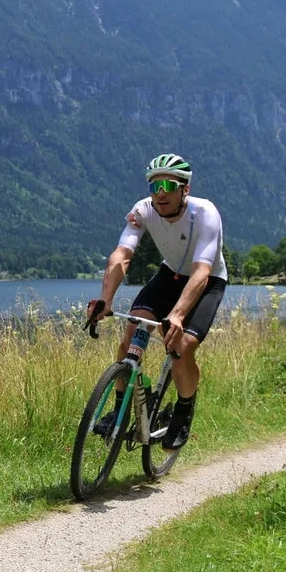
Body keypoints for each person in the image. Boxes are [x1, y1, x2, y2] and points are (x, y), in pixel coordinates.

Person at [85, 153, 227, 450]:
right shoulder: (144, 210)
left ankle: (184, 410)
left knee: (182, 345)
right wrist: (105, 300)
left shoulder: (206, 213)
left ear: (184, 189)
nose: (160, 193)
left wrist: (176, 315)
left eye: (168, 185)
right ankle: (120, 409)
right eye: (154, 186)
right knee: (131, 333)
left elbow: (201, 272)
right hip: (170, 274)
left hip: (208, 281)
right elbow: (122, 255)